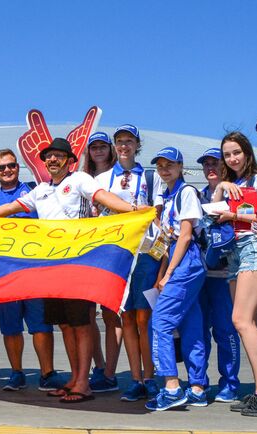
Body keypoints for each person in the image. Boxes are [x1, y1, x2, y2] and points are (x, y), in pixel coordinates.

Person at [0, 138, 142, 404]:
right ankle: (75, 377)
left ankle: (83, 383)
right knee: (65, 325)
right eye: (48, 157)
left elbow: (105, 199)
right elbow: (8, 209)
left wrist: (135, 210)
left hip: (77, 264)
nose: (52, 160)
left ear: (69, 160)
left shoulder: (80, 180)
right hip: (51, 269)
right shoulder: (39, 190)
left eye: (58, 156)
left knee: (80, 324)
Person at [0, 148, 63, 392]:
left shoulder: (35, 191)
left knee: (41, 326)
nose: (7, 170)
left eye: (11, 165)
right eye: (1, 167)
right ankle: (16, 373)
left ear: (18, 167)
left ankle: (47, 373)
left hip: (35, 272)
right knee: (11, 327)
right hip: (5, 275)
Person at [93, 125, 164, 400]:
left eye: (129, 141)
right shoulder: (101, 179)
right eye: (120, 141)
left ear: (137, 145)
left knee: (145, 318)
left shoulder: (150, 175)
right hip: (117, 254)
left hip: (146, 252)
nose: (124, 146)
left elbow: (156, 213)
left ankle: (151, 376)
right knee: (127, 317)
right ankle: (135, 378)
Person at [212, 131, 257, 416]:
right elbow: (213, 211)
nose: (232, 158)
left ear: (247, 153)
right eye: (227, 154)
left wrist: (235, 216)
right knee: (250, 322)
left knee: (240, 320)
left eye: (236, 152)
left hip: (254, 246)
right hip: (233, 252)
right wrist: (222, 186)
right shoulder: (232, 184)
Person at [145, 147, 207, 412]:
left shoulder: (186, 193)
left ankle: (171, 387)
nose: (164, 169)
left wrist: (169, 274)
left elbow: (185, 236)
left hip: (187, 261)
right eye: (160, 166)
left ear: (181, 166)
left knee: (160, 322)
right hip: (176, 261)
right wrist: (162, 274)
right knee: (192, 323)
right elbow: (165, 242)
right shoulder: (167, 197)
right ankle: (197, 386)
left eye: (170, 164)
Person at [196, 148, 241, 403]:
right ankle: (199, 381)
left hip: (225, 275)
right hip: (200, 276)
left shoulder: (235, 193)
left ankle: (230, 382)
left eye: (215, 163)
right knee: (198, 332)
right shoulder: (197, 194)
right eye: (206, 164)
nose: (210, 168)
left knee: (225, 331)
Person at [80, 132, 119, 393]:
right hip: (86, 250)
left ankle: (110, 372)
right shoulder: (81, 179)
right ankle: (99, 365)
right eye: (93, 147)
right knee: (87, 315)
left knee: (111, 314)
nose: (98, 151)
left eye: (102, 146)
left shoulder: (121, 176)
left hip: (113, 250)